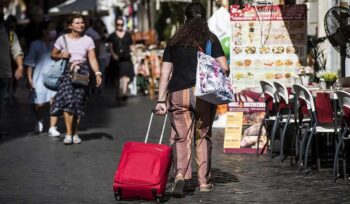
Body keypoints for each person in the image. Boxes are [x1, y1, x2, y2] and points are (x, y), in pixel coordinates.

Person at [154, 2, 229, 197]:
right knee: (202, 136)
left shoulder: (174, 41)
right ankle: (204, 182)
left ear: (185, 18)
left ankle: (181, 176)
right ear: (204, 18)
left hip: (179, 93)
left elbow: (164, 73)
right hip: (204, 94)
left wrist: (161, 101)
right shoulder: (210, 39)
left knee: (181, 136)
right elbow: (225, 68)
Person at [50, 13, 102, 145]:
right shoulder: (62, 39)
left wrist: (97, 73)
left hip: (82, 72)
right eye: (77, 23)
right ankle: (68, 134)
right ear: (69, 26)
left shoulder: (88, 40)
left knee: (78, 103)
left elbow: (92, 58)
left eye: (82, 22)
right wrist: (62, 54)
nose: (81, 25)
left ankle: (75, 133)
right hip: (67, 71)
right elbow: (53, 54)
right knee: (68, 101)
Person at [24, 20, 61, 136]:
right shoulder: (35, 44)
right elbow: (30, 63)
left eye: (54, 28)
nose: (54, 31)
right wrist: (29, 80)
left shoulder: (57, 44)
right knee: (38, 104)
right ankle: (39, 119)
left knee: (55, 102)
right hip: (39, 78)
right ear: (44, 31)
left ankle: (52, 127)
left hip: (54, 77)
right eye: (51, 28)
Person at [0, 3, 23, 134]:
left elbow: (17, 51)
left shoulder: (10, 33)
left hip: (4, 74)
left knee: (0, 105)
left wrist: (20, 65)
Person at [107, 17, 134, 101]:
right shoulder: (112, 35)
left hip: (126, 58)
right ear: (115, 25)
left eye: (122, 24)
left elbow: (131, 46)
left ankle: (124, 92)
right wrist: (113, 54)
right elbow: (110, 47)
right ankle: (118, 92)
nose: (120, 26)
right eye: (118, 24)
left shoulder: (128, 35)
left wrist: (134, 54)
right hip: (116, 59)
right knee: (117, 76)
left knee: (125, 75)